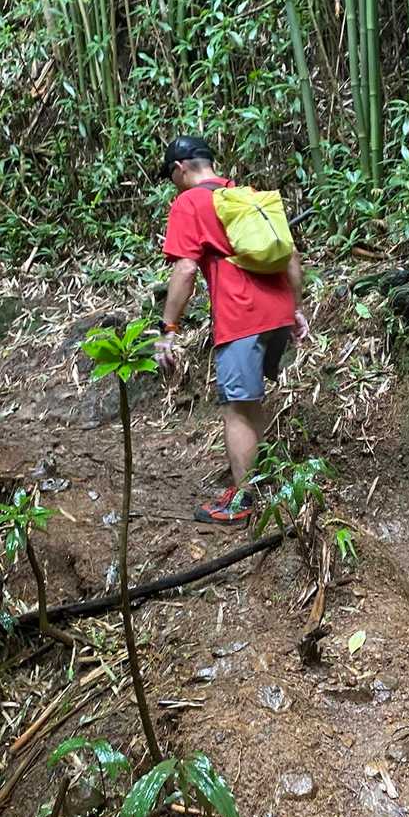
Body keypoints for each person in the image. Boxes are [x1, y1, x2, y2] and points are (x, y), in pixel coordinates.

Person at [155, 134, 309, 526]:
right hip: (277, 312)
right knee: (250, 402)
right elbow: (290, 255)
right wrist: (295, 308)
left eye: (171, 177)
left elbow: (185, 269)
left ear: (180, 168)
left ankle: (243, 503)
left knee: (236, 409)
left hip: (241, 315)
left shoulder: (189, 202)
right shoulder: (245, 195)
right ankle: (261, 488)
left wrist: (168, 327)